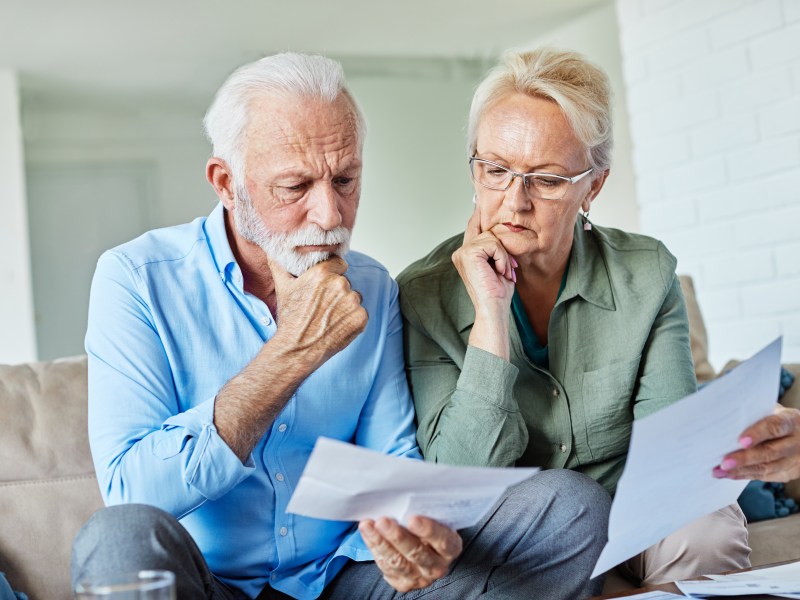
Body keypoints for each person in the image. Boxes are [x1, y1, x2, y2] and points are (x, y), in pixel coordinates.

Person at [72, 52, 611, 600]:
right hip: (207, 586)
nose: (331, 215)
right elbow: (131, 491)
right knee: (118, 538)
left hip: (342, 580)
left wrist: (416, 535)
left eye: (346, 179)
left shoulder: (373, 287)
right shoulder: (137, 279)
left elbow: (391, 465)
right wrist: (291, 353)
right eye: (295, 186)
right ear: (226, 183)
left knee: (571, 508)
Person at [396, 47, 800, 586]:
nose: (514, 202)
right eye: (495, 170)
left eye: (546, 179)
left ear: (594, 185)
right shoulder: (422, 296)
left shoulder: (646, 273)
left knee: (708, 529)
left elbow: (672, 443)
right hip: (522, 531)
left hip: (637, 506)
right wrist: (490, 313)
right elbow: (460, 479)